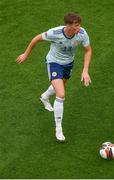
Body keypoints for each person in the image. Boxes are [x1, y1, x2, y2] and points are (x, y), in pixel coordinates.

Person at [17, 12, 92, 142]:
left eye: (79, 25)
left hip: (68, 64)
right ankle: (58, 129)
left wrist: (85, 71)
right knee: (61, 94)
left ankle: (44, 96)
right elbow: (37, 39)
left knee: (60, 87)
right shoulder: (55, 33)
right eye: (76, 25)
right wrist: (26, 54)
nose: (79, 28)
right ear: (68, 26)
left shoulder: (82, 33)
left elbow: (88, 50)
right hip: (54, 63)